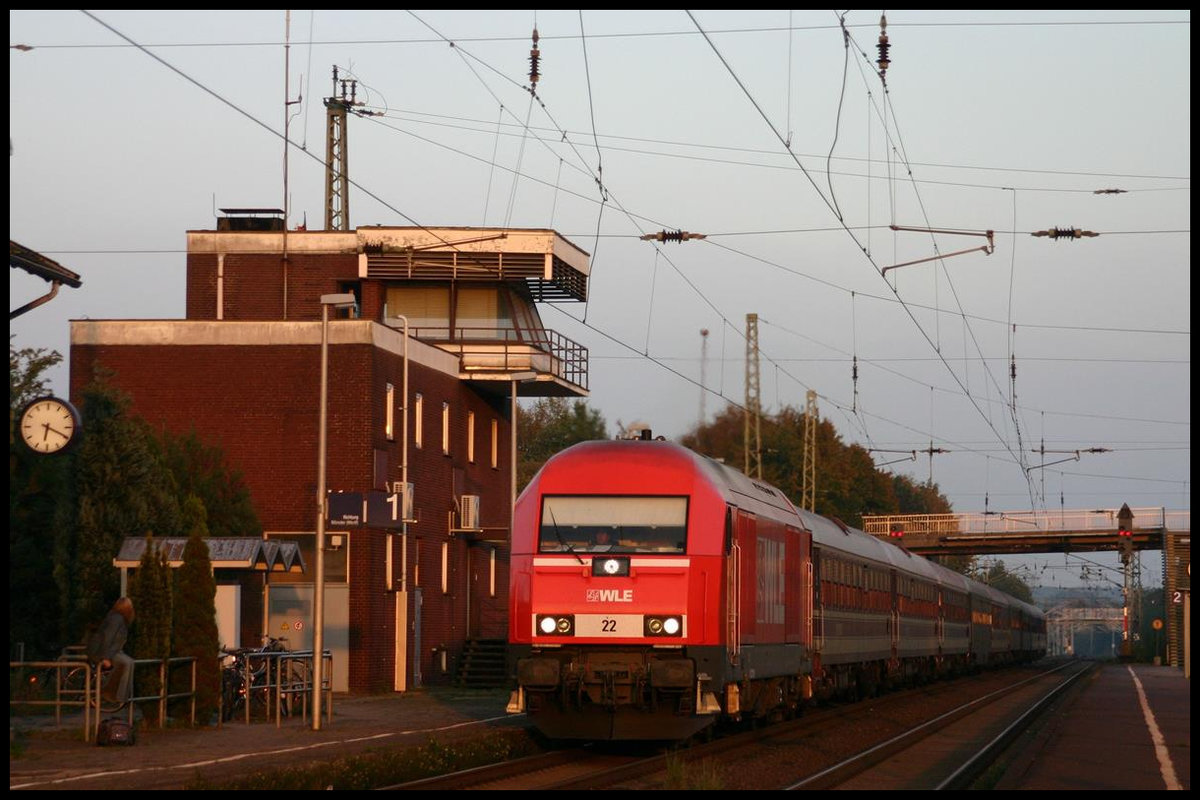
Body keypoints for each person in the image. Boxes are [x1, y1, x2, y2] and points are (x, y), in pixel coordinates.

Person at [87, 597, 135, 708]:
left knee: (129, 663)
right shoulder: (116, 619)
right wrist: (105, 657)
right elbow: (108, 638)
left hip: (113, 651)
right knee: (127, 663)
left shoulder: (118, 618)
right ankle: (118, 695)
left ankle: (117, 693)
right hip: (106, 651)